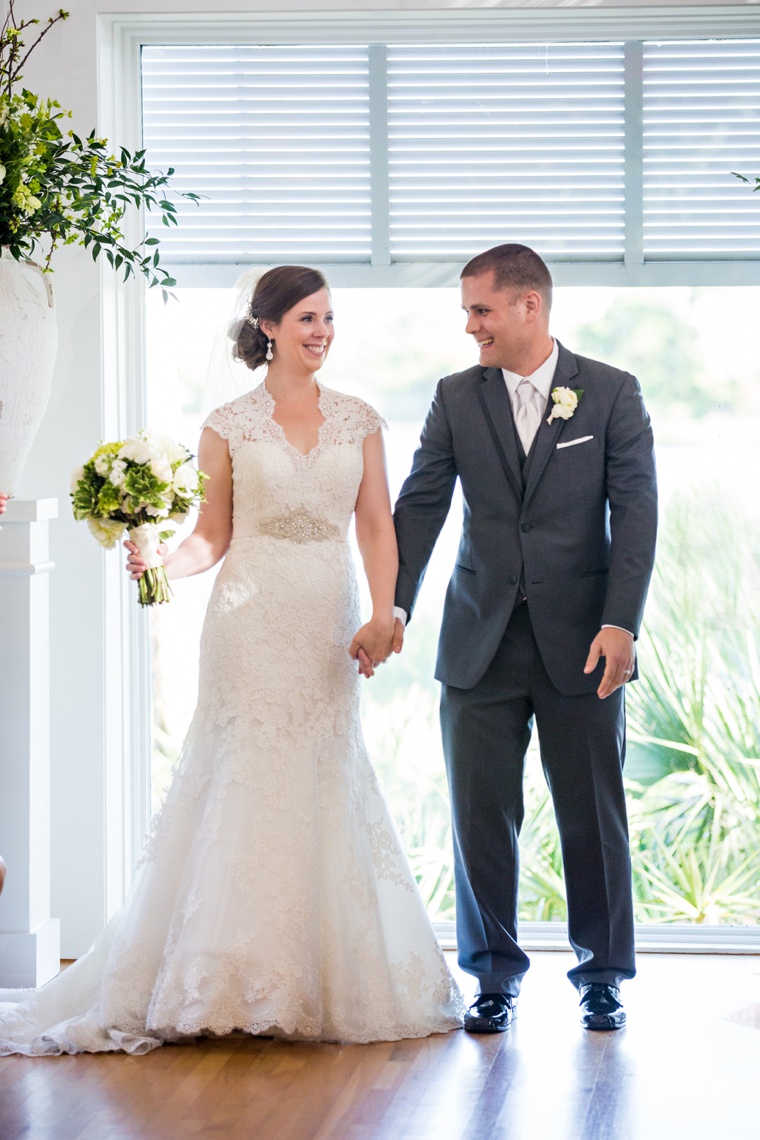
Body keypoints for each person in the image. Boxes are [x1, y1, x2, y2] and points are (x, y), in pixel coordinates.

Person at [0, 265, 463, 1055]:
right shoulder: (229, 423)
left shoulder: (359, 419)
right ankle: (219, 978)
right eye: (307, 319)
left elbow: (378, 526)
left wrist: (387, 613)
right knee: (240, 771)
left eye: (328, 318)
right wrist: (158, 564)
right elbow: (213, 536)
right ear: (270, 327)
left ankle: (315, 973)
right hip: (248, 621)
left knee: (324, 769)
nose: (321, 332)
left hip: (328, 613)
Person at [392, 244, 657, 1033]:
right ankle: (493, 978)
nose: (469, 325)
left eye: (480, 309)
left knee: (593, 815)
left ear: (528, 307)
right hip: (479, 642)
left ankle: (602, 975)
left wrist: (621, 624)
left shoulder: (610, 393)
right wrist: (394, 607)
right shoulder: (454, 397)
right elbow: (420, 506)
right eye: (468, 310)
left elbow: (637, 511)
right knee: (480, 818)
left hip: (583, 643)